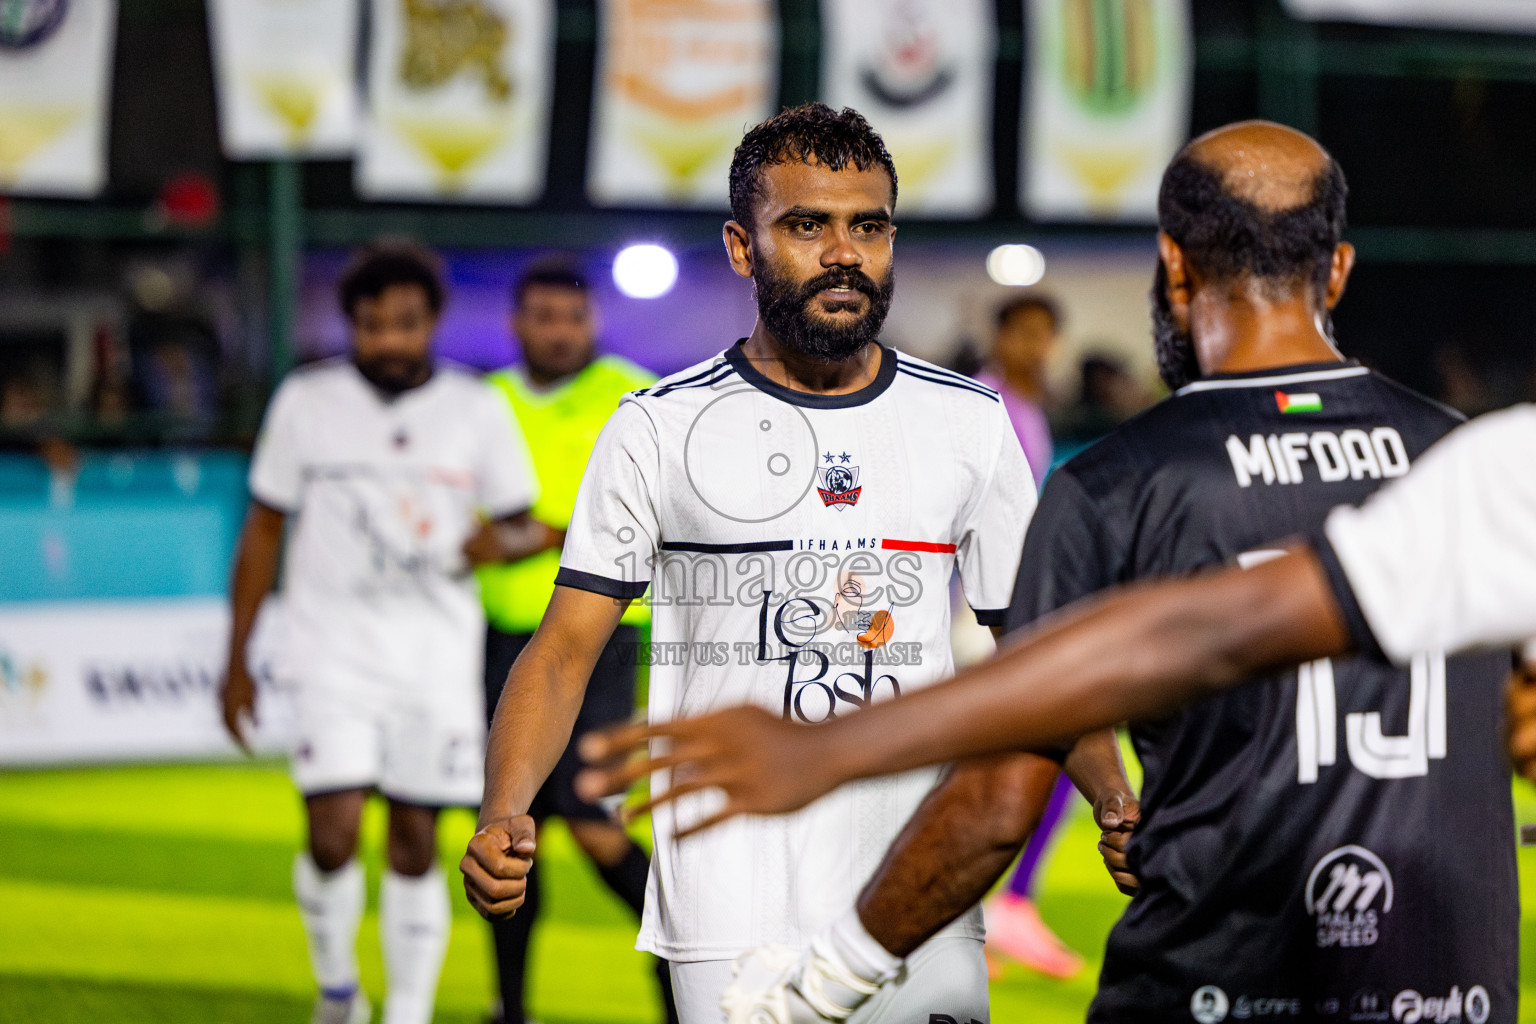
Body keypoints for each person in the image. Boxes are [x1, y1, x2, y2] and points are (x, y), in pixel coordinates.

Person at [576, 124, 1524, 1023]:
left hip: (1208, 984)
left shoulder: (1120, 481)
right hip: (1447, 983)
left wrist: (831, 931)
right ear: (1342, 268)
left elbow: (1023, 773)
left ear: (1175, 266)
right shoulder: (1470, 460)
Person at [460, 102, 1068, 1024]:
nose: (844, 252)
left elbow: (1040, 640)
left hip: (920, 880)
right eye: (806, 226)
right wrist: (504, 808)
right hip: (728, 895)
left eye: (868, 225)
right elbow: (563, 648)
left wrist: (1111, 797)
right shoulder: (656, 426)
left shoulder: (968, 422)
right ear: (743, 248)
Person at [221, 243, 546, 1024]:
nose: (389, 342)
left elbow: (527, 527)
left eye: (404, 324)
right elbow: (263, 530)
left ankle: (406, 1011)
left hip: (435, 661)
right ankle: (337, 990)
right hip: (329, 652)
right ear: (351, 325)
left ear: (431, 322)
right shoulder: (307, 400)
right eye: (372, 326)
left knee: (414, 841)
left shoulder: (476, 407)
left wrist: (493, 546)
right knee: (332, 834)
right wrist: (236, 658)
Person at [475, 260, 677, 1023]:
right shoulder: (483, 402)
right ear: (517, 323)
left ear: (591, 322)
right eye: (544, 316)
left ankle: (682, 972)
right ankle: (511, 1005)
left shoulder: (635, 397)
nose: (559, 330)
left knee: (595, 824)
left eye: (572, 316)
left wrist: (544, 535)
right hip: (498, 641)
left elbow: (658, 520)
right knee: (509, 826)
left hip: (603, 641)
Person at [969, 293, 1081, 980]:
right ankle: (997, 906)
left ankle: (1000, 906)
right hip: (973, 615)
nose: (1036, 346)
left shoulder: (1027, 406)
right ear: (1001, 335)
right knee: (1059, 749)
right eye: (1026, 333)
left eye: (1047, 334)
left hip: (1011, 607)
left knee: (1056, 754)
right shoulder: (982, 401)